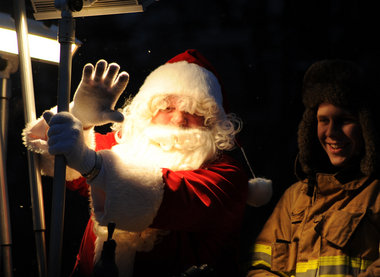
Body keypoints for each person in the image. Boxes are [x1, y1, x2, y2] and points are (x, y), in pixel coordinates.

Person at [23, 49, 272, 277]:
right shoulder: (124, 150)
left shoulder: (227, 176)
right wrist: (80, 118)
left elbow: (171, 197)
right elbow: (42, 147)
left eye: (194, 112)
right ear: (147, 110)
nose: (178, 119)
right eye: (166, 106)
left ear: (212, 123)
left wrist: (92, 164)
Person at [246, 59, 380, 277]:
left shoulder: (376, 195)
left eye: (344, 120)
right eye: (323, 120)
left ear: (367, 127)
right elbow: (260, 268)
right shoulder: (294, 198)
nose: (332, 132)